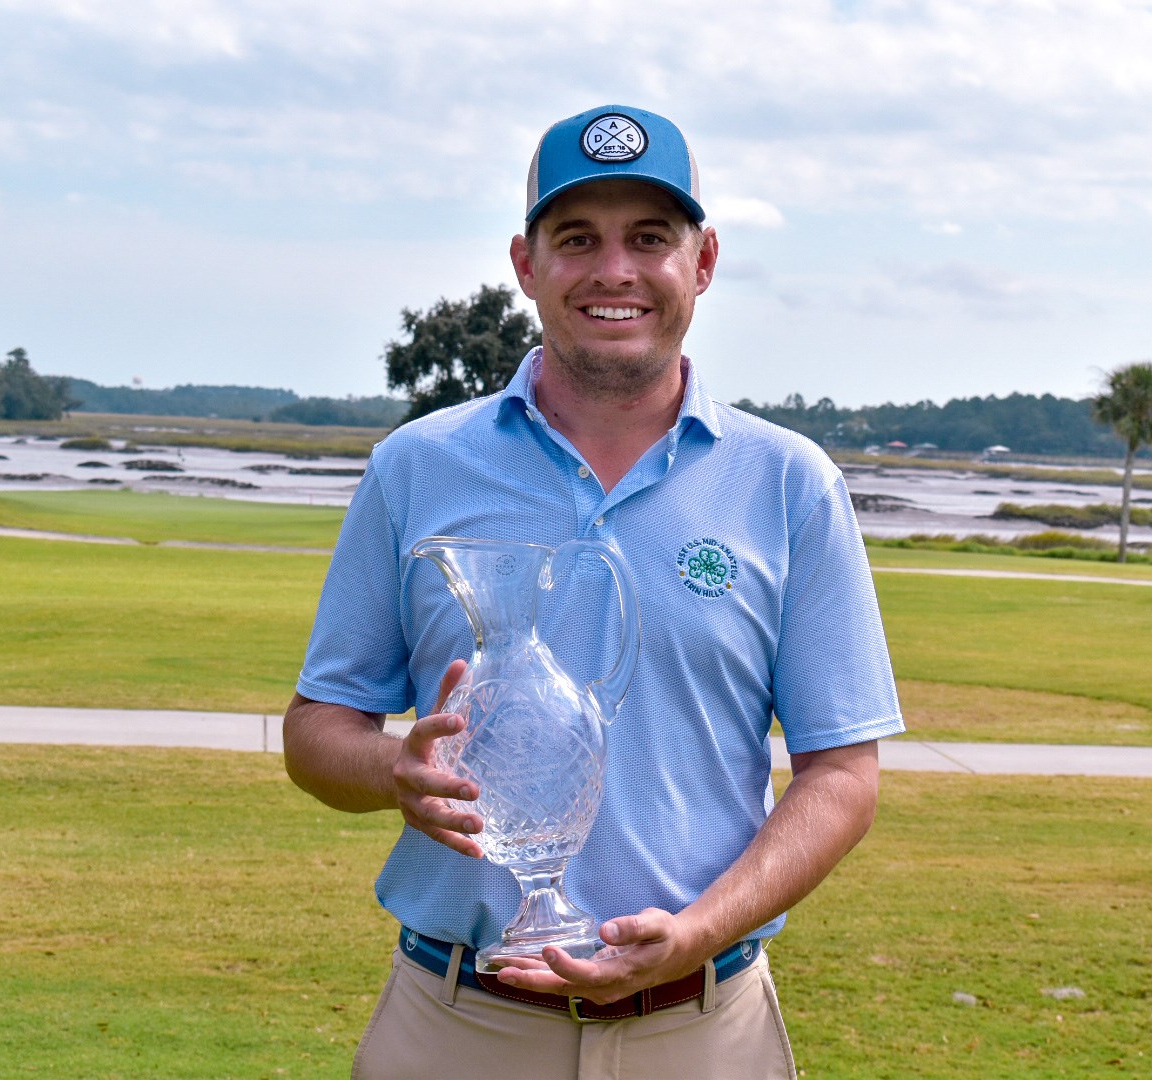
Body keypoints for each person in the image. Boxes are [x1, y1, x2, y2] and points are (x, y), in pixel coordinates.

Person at [283, 104, 903, 1080]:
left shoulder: (788, 483)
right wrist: (389, 771)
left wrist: (699, 930)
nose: (615, 270)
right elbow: (317, 729)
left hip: (702, 1028)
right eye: (577, 239)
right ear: (527, 265)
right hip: (457, 1024)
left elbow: (842, 777)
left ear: (701, 263)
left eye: (649, 237)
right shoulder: (417, 467)